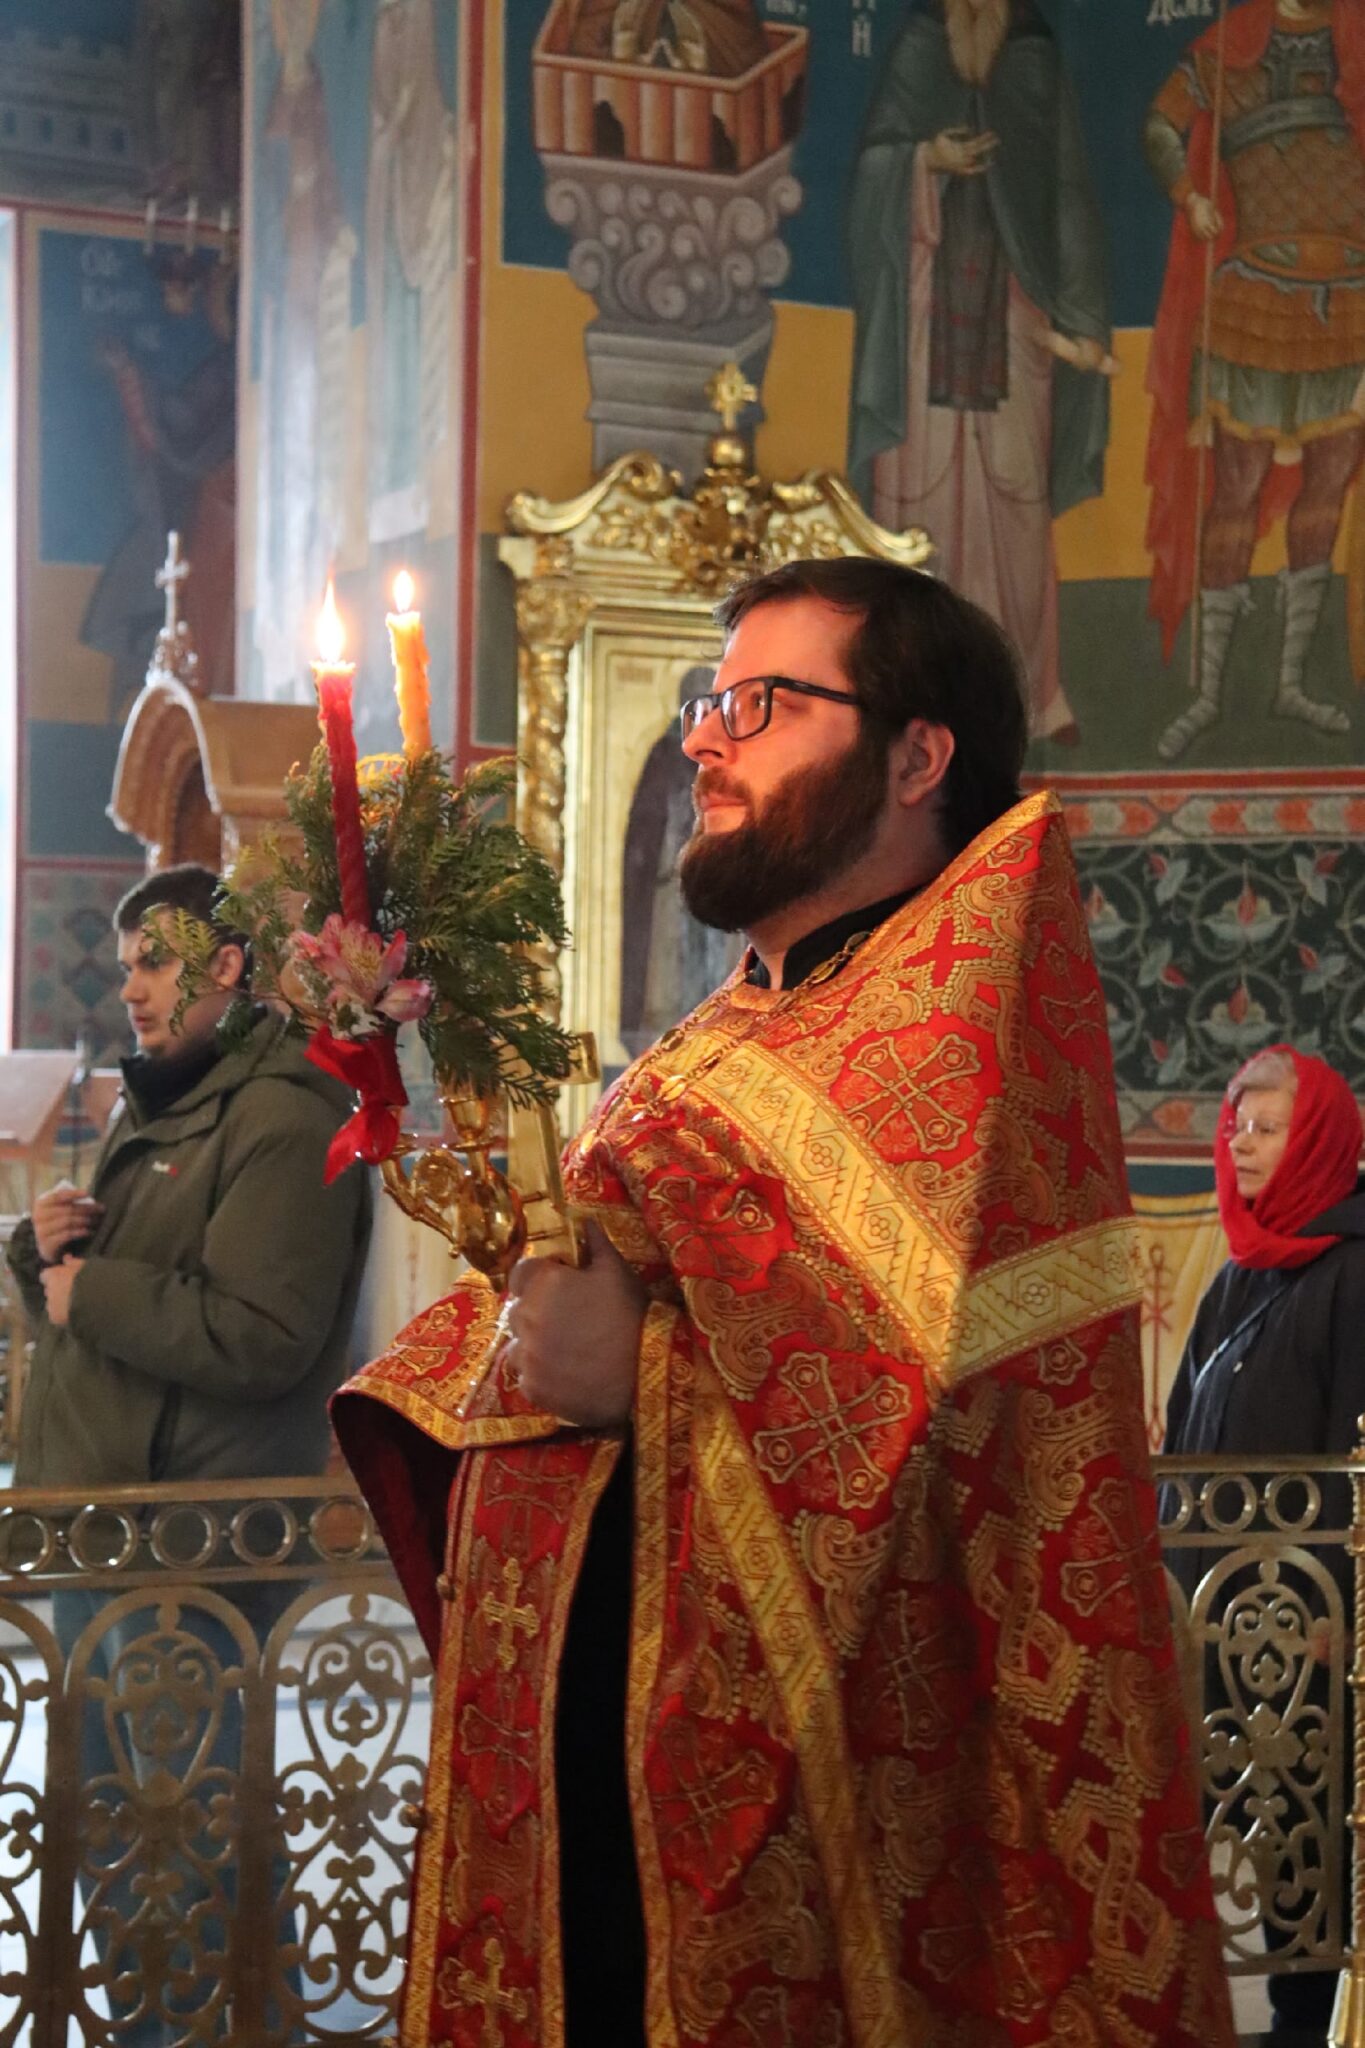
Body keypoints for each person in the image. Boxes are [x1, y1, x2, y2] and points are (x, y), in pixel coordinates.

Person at [334, 558, 1234, 2046]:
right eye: (709, 700)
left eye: (760, 703)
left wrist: (641, 1377)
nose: (704, 737)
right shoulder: (742, 1024)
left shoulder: (959, 1051)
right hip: (599, 1809)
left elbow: (926, 1445)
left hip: (823, 1843)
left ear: (916, 756)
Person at [6, 861, 373, 2044]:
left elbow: (263, 1331)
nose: (131, 987)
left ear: (225, 963)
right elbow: (107, 1299)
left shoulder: (285, 1114)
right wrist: (47, 1252)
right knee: (122, 1840)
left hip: (193, 1546)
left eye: (155, 961)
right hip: (111, 1530)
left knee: (191, 1844)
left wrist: (94, 1290)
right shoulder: (168, 1098)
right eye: (124, 965)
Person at [1162, 1045, 1364, 2041]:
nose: (1240, 1144)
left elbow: (1354, 1453)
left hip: (1312, 1628)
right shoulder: (1238, 1273)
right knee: (1252, 1826)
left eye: (1268, 1128)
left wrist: (1341, 1611)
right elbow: (1183, 1431)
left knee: (1312, 1840)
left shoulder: (1354, 1269)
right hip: (1227, 1618)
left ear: (1317, 1139)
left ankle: (1312, 2024)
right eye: (1237, 1125)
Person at [846, 0, 1114, 744]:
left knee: (1016, 501)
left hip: (1017, 316)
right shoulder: (919, 42)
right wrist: (923, 160)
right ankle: (907, 691)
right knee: (922, 495)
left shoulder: (1034, 50)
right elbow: (871, 172)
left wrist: (1082, 318)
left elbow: (1067, 187)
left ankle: (1031, 693)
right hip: (923, 311)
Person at [1144, 0, 1365, 760]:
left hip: (1351, 303)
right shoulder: (1230, 45)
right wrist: (1189, 195)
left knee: (1327, 490)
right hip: (1255, 302)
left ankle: (1290, 683)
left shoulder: (1356, 37)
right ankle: (1210, 693)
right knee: (1233, 492)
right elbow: (1160, 126)